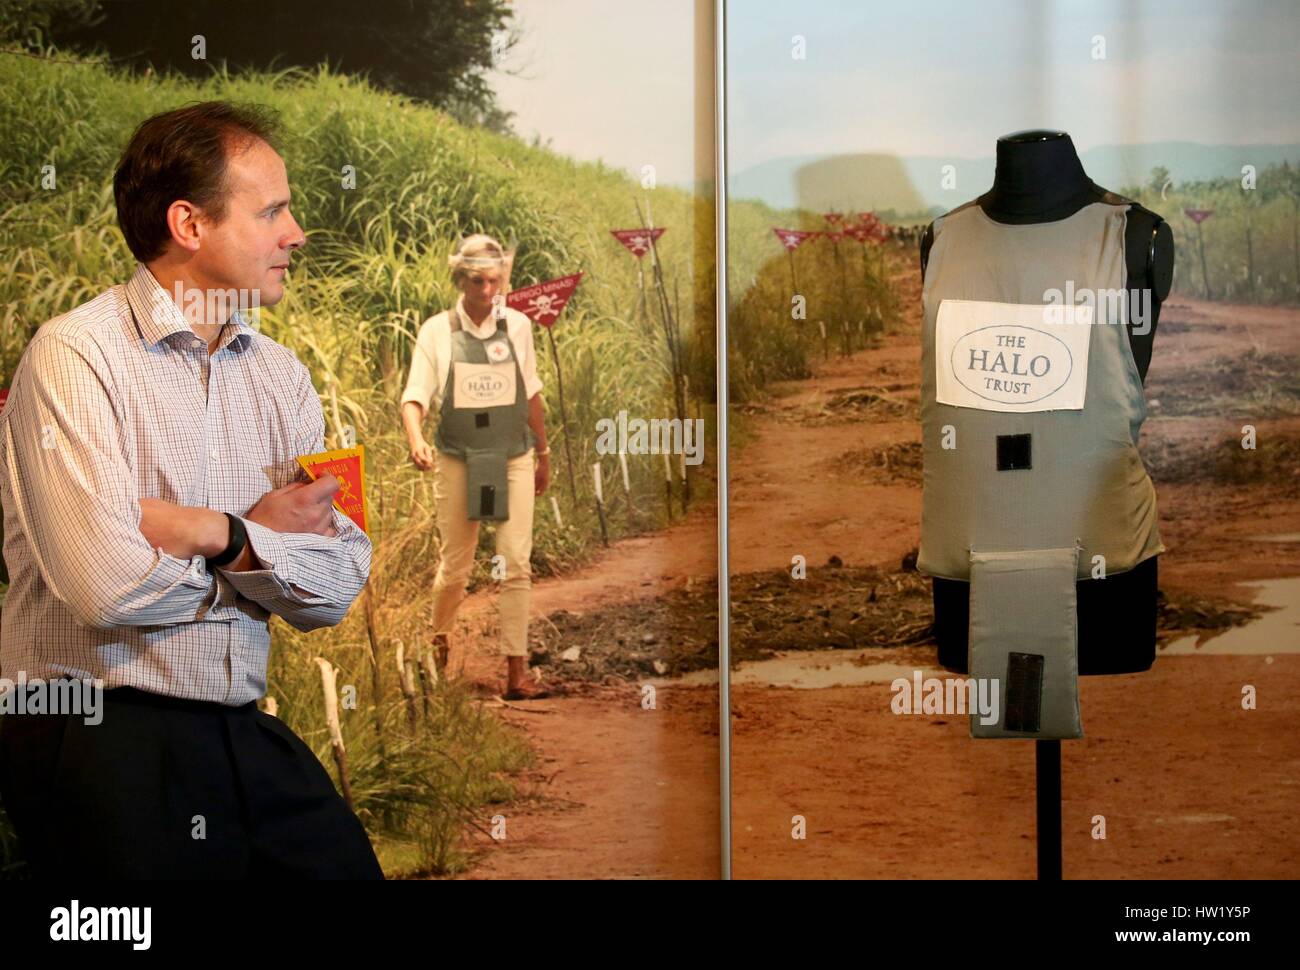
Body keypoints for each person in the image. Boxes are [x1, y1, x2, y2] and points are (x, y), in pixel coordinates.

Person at [0, 101, 382, 878]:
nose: (296, 233)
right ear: (189, 224)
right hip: (96, 727)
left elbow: (340, 579)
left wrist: (220, 533)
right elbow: (105, 589)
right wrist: (261, 564)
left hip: (234, 720)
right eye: (272, 209)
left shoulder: (285, 379)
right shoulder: (74, 356)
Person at [400, 235, 552, 700]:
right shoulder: (437, 331)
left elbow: (531, 396)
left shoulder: (519, 328)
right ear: (460, 280)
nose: (487, 291)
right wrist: (416, 439)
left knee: (516, 564)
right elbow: (414, 397)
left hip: (512, 456)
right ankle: (439, 656)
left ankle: (516, 674)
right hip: (458, 458)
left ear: (504, 279)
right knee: (456, 567)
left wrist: (543, 453)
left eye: (494, 281)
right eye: (477, 281)